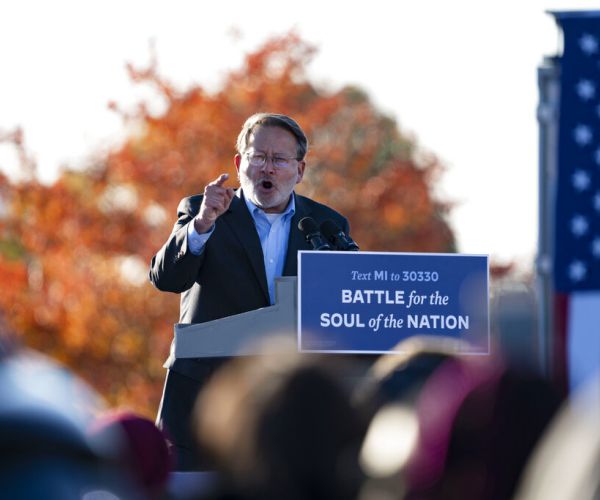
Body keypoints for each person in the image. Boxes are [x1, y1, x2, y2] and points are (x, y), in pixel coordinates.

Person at [149, 113, 351, 470]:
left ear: (300, 170)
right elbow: (166, 278)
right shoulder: (201, 211)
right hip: (204, 398)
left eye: (279, 160)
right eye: (258, 157)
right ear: (239, 164)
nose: (267, 168)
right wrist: (203, 224)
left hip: (288, 408)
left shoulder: (327, 225)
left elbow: (342, 307)